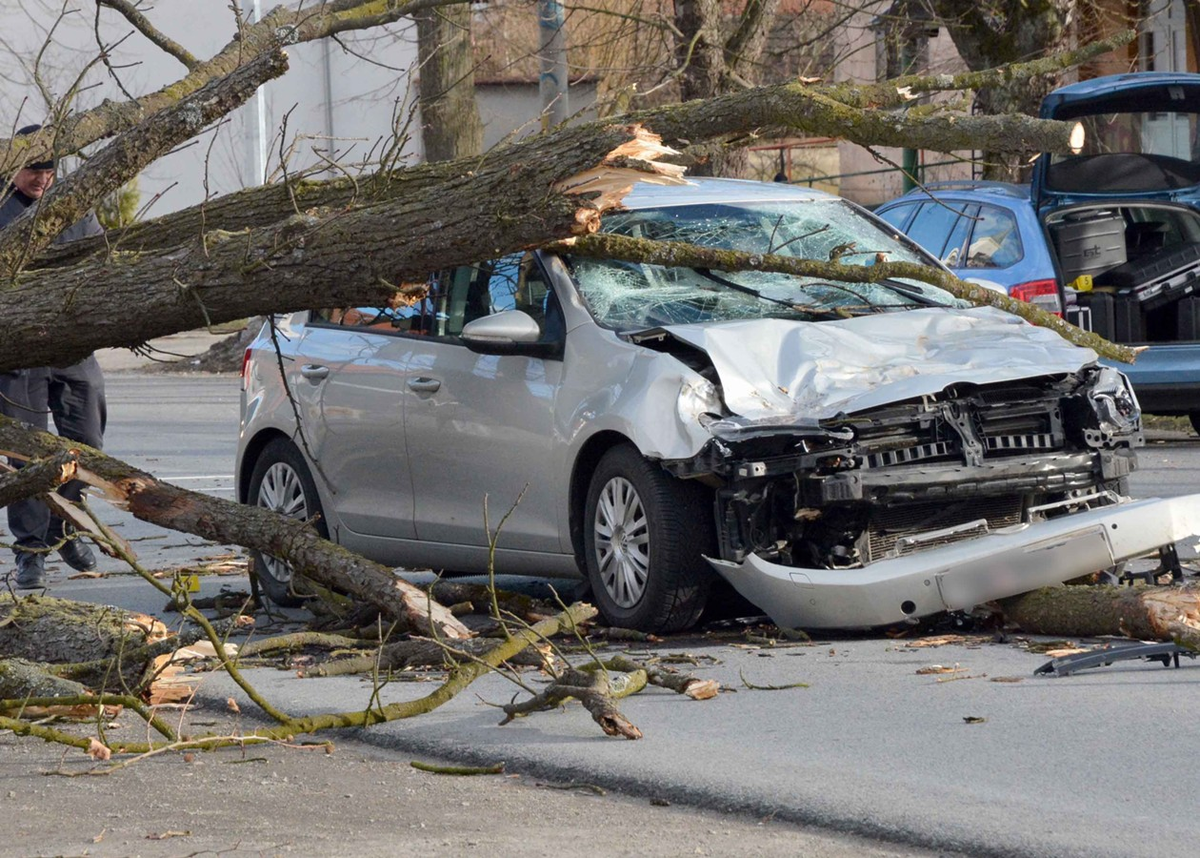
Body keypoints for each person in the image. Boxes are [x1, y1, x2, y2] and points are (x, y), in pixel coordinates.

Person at [0, 124, 105, 589]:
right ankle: (31, 550)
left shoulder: (75, 205)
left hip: (71, 348)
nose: (41, 178)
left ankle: (65, 526)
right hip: (20, 352)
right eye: (32, 168)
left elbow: (102, 262)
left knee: (87, 445)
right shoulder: (2, 209)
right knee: (24, 456)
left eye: (48, 168)